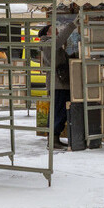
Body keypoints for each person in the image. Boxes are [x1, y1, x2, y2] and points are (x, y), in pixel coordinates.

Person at [38, 15, 77, 148]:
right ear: (47, 33)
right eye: (53, 29)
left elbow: (62, 60)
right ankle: (53, 139)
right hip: (58, 84)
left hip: (61, 83)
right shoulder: (48, 44)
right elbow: (59, 40)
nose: (56, 31)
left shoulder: (52, 45)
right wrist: (73, 25)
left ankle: (55, 138)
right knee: (58, 111)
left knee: (59, 111)